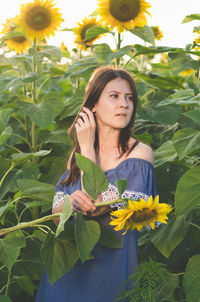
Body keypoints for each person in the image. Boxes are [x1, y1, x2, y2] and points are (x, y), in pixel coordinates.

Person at [36, 65, 157, 302]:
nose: (124, 104)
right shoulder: (76, 155)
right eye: (114, 96)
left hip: (109, 277)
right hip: (65, 275)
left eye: (129, 98)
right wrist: (70, 202)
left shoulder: (140, 154)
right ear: (93, 105)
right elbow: (55, 214)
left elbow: (96, 205)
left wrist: (88, 148)